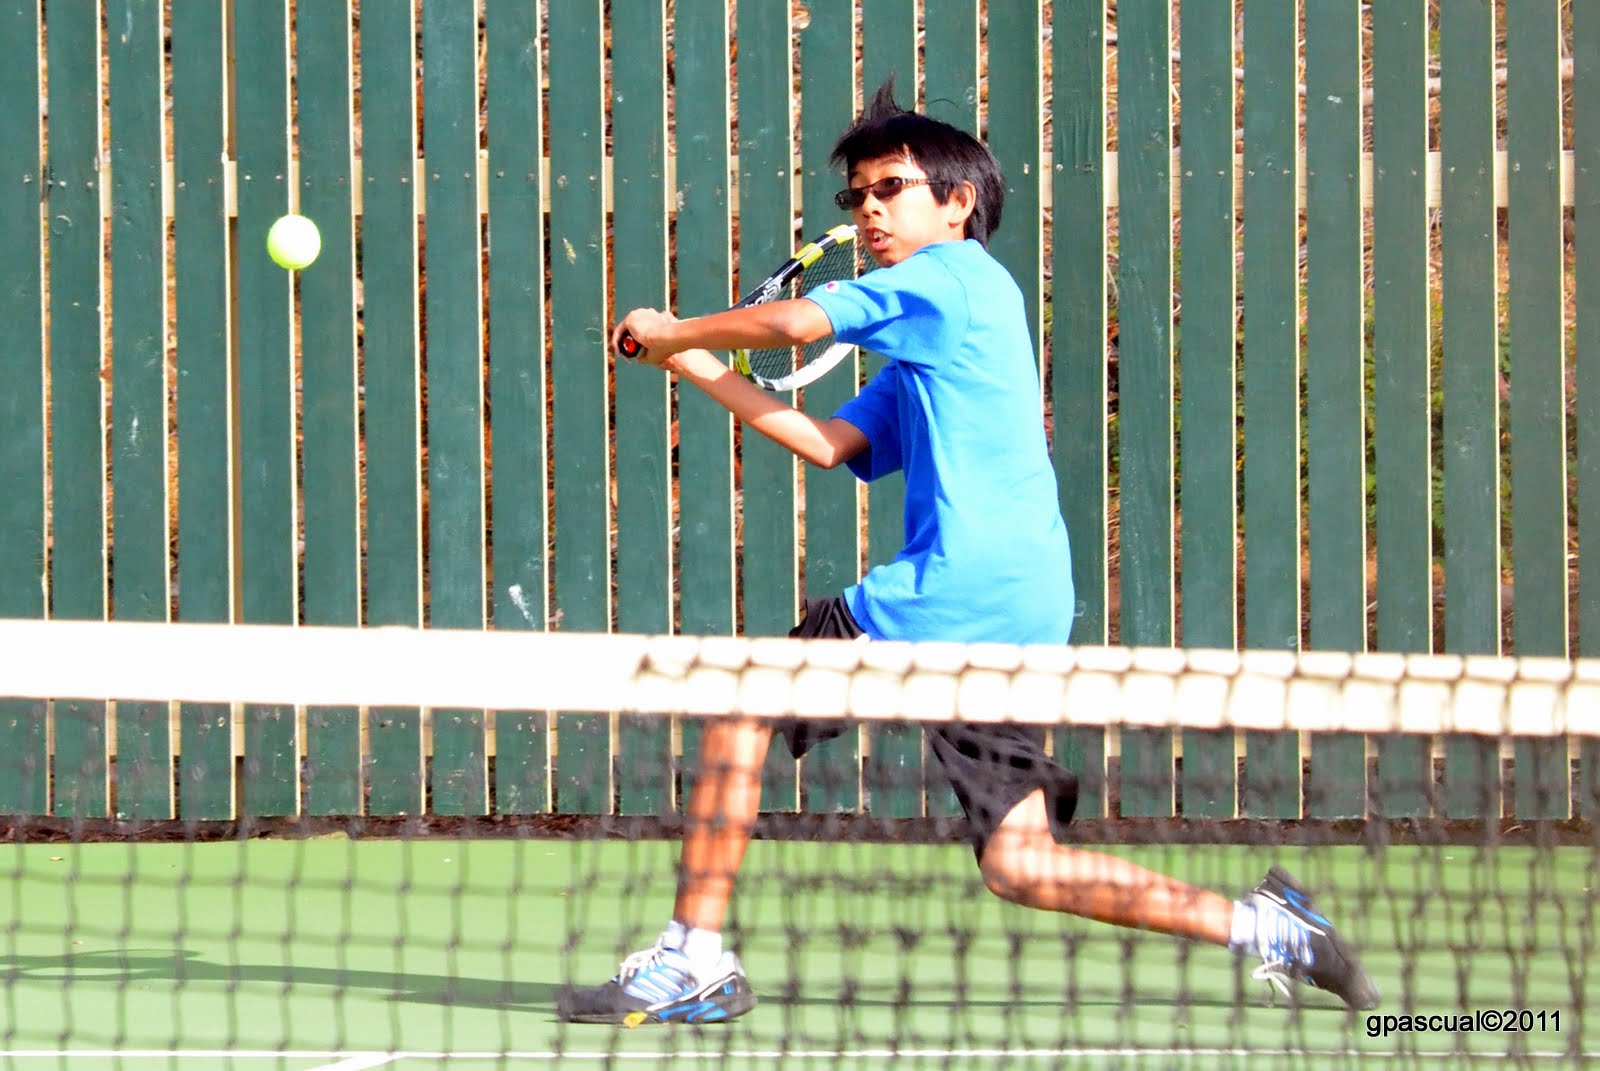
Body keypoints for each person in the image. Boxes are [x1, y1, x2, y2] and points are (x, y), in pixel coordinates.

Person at [557, 80, 1379, 1026]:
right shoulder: (932, 344)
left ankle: (691, 960)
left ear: (957, 203)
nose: (870, 208)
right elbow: (828, 443)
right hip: (1020, 606)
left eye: (893, 187)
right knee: (1022, 867)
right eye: (858, 194)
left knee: (740, 708)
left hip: (950, 592)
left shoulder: (955, 276)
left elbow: (795, 325)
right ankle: (1273, 932)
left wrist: (680, 328)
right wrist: (693, 364)